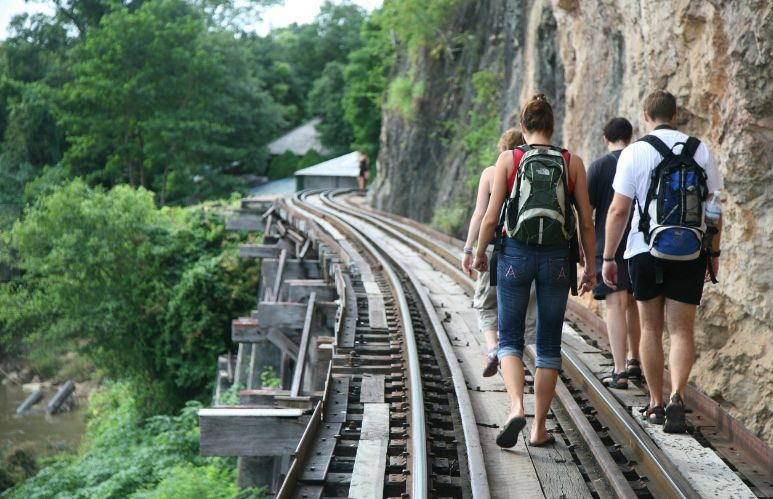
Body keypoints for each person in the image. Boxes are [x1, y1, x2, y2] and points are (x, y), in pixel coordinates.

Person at [473, 94, 596, 447]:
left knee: (509, 339)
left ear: (523, 127)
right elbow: (585, 222)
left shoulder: (509, 159)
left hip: (514, 255)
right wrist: (589, 265)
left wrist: (480, 253)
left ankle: (515, 407)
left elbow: (491, 217)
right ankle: (539, 428)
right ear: (553, 126)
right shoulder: (572, 163)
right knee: (548, 346)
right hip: (557, 260)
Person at [602, 90, 722, 433]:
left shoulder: (635, 152)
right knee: (682, 330)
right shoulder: (700, 150)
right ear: (676, 114)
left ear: (645, 116)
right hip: (690, 250)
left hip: (643, 250)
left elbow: (618, 210)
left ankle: (655, 404)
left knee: (651, 327)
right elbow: (715, 209)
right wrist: (713, 255)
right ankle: (677, 397)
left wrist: (609, 256)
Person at [461, 129, 537, 378]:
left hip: (494, 247)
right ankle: (518, 355)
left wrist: (470, 249)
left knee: (486, 301)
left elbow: (480, 214)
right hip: (526, 248)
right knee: (521, 304)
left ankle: (494, 348)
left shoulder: (491, 173)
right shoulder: (533, 170)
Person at [587, 117, 641, 389]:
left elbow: (586, 210)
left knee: (616, 305)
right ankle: (635, 359)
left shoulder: (599, 167)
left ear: (605, 138)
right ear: (630, 137)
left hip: (610, 244)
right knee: (634, 302)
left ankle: (619, 370)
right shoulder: (640, 161)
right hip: (641, 242)